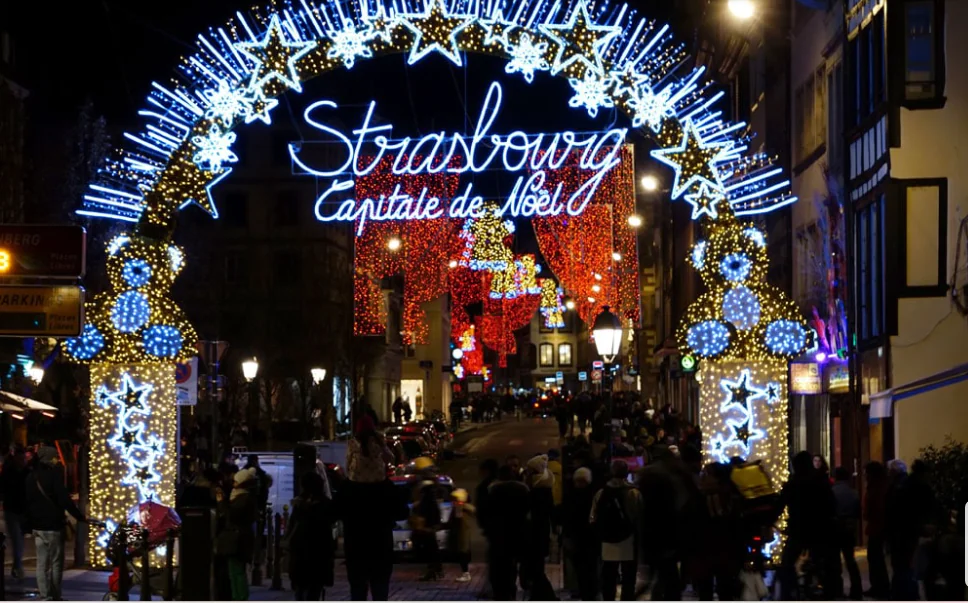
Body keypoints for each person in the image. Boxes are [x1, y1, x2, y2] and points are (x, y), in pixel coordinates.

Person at [26, 446, 98, 601]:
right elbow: (65, 500)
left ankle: (45, 595)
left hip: (38, 527)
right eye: (54, 457)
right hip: (53, 525)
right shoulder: (53, 476)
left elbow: (26, 502)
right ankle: (56, 595)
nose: (57, 460)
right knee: (56, 563)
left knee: (42, 563)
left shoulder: (31, 477)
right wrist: (79, 517)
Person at [778, 451, 838, 600]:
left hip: (799, 530)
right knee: (823, 563)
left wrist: (768, 518)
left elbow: (778, 506)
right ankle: (829, 592)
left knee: (787, 564)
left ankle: (788, 594)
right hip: (820, 530)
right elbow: (832, 505)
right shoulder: (821, 481)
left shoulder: (793, 483)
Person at [590, 459, 642, 601]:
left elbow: (593, 517)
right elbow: (639, 516)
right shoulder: (633, 492)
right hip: (629, 539)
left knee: (609, 576)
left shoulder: (602, 492)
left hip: (607, 540)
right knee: (628, 577)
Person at [286, 471, 336, 600]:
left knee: (302, 590)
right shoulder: (325, 504)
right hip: (318, 555)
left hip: (302, 554)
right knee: (313, 590)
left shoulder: (300, 505)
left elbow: (293, 528)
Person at [486, 465, 531, 600]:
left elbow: (489, 512)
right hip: (518, 530)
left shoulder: (494, 490)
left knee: (501, 565)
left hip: (500, 533)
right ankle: (512, 589)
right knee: (514, 563)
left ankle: (504, 593)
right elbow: (528, 509)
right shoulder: (523, 489)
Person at [217, 467, 259, 600]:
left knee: (236, 571)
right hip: (238, 538)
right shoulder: (242, 496)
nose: (233, 483)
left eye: (235, 481)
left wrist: (221, 503)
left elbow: (232, 515)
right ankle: (238, 596)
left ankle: (240, 597)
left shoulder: (243, 498)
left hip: (237, 539)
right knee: (234, 571)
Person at [523, 454, 557, 600]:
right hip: (539, 536)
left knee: (535, 570)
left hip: (536, 537)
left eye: (529, 471)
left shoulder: (538, 492)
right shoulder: (541, 490)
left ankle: (548, 597)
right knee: (535, 570)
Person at [562, 467, 599, 600]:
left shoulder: (570, 496)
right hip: (591, 538)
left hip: (577, 538)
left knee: (579, 568)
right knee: (590, 567)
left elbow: (566, 517)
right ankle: (591, 591)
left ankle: (583, 591)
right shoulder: (594, 495)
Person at [831, 466, 862, 599]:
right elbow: (858, 512)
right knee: (850, 560)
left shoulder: (832, 492)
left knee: (835, 561)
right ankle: (856, 590)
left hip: (835, 528)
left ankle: (838, 590)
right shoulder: (853, 492)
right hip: (849, 529)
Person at [863, 461, 890, 599]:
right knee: (875, 557)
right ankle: (880, 586)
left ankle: (880, 587)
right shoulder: (881, 485)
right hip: (878, 526)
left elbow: (876, 507)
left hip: (877, 527)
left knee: (874, 557)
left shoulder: (876, 487)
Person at [2, 447, 29, 579]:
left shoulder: (26, 472)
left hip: (22, 511)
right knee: (17, 539)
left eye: (24, 458)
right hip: (12, 510)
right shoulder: (10, 472)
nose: (23, 461)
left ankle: (17, 565)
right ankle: (17, 566)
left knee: (19, 539)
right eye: (21, 458)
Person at [412, 480, 443, 581]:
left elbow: (422, 516)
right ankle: (436, 570)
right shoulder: (432, 501)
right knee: (433, 550)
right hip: (431, 529)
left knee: (429, 550)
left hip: (426, 530)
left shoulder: (425, 502)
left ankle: (433, 570)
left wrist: (420, 527)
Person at [449, 488, 476, 582]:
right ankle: (465, 572)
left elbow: (459, 518)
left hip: (463, 532)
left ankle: (466, 573)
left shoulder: (462, 506)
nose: (452, 501)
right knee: (462, 552)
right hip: (460, 532)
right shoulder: (459, 506)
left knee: (463, 552)